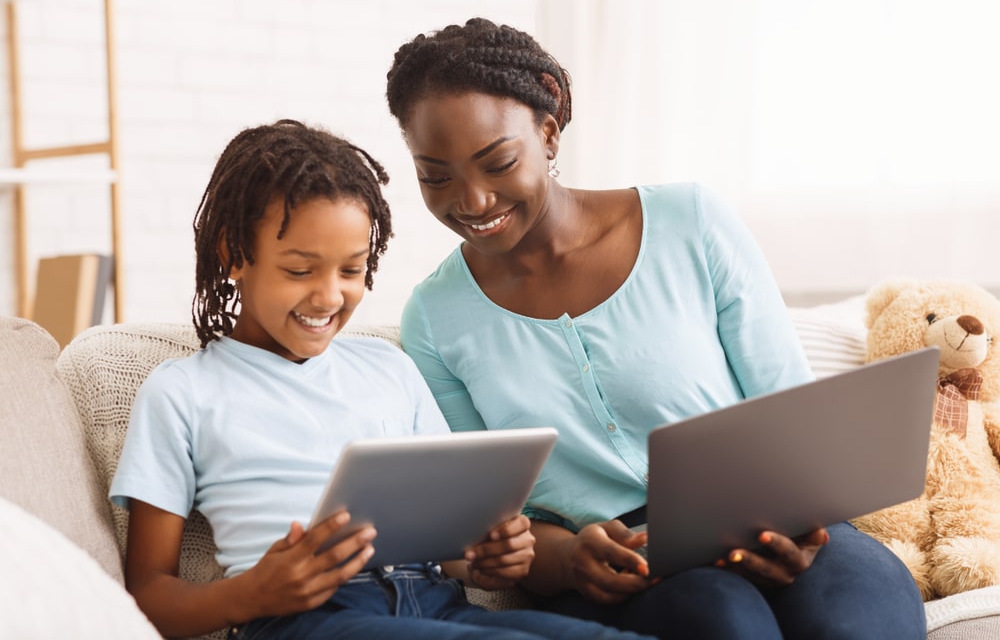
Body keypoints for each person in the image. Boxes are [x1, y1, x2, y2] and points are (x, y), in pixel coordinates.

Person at [384, 18, 927, 640]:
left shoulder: (689, 222)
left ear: (549, 132)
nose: (473, 201)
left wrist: (799, 518)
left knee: (854, 621)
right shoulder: (433, 318)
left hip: (774, 517)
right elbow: (491, 518)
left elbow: (792, 410)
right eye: (436, 176)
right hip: (615, 569)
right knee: (725, 620)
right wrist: (566, 559)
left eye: (498, 162)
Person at [109, 119, 654, 640]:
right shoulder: (181, 392)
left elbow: (452, 547)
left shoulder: (388, 369)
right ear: (233, 253)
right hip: (303, 621)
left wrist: (486, 560)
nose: (328, 297)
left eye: (351, 270)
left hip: (436, 605)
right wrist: (253, 592)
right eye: (300, 270)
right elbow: (148, 596)